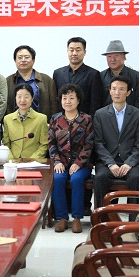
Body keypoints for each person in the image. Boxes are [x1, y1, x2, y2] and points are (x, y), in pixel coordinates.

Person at [92, 76, 139, 210]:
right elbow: (98, 143)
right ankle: (101, 217)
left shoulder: (138, 114)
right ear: (109, 91)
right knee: (100, 178)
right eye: (114, 89)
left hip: (131, 161)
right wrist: (110, 163)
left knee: (136, 178)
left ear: (128, 92)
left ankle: (134, 218)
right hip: (108, 161)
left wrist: (129, 163)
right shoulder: (100, 114)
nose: (117, 93)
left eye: (121, 89)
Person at [49, 84, 93, 234]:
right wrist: (56, 161)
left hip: (82, 164)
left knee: (76, 179)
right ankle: (62, 218)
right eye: (64, 98)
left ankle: (76, 218)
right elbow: (51, 143)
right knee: (57, 179)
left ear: (78, 100)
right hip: (61, 162)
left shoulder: (86, 119)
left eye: (71, 98)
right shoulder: (55, 119)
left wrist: (78, 163)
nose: (68, 101)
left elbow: (89, 144)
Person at [53, 37, 103, 118]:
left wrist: (91, 121)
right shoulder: (58, 73)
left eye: (78, 50)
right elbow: (56, 100)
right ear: (67, 51)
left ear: (84, 52)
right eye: (71, 50)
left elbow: (95, 103)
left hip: (84, 120)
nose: (74, 53)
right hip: (62, 120)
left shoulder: (93, 74)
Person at [6, 45, 57, 121]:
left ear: (33, 60)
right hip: (15, 123)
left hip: (40, 123)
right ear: (15, 61)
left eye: (27, 57)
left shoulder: (46, 80)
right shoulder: (8, 81)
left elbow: (54, 106)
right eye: (20, 57)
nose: (23, 60)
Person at [2, 83, 48, 160]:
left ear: (32, 98)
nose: (22, 100)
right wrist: (12, 160)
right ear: (15, 98)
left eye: (26, 97)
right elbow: (6, 144)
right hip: (12, 162)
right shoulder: (7, 119)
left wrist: (32, 160)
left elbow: (44, 144)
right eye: (19, 97)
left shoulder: (41, 119)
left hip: (34, 162)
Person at [100, 40, 139, 112]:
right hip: (106, 116)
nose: (112, 59)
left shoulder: (136, 77)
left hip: (131, 116)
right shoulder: (101, 76)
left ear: (124, 57)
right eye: (109, 56)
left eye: (116, 56)